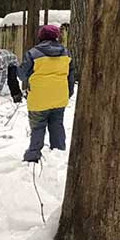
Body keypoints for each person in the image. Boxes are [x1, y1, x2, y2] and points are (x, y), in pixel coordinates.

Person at [18, 25, 74, 162]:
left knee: (38, 127)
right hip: (59, 96)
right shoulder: (66, 53)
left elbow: (22, 75)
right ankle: (59, 154)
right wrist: (68, 92)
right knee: (57, 125)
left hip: (39, 98)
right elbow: (71, 75)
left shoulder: (33, 53)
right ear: (56, 36)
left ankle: (33, 155)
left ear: (40, 36)